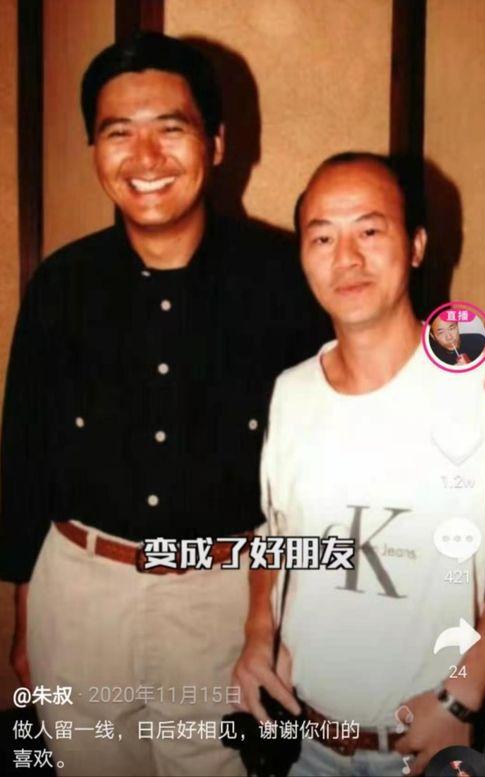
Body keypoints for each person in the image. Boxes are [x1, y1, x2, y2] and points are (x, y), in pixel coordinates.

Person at [0, 32, 329, 777]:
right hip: (76, 593)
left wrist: (472, 358)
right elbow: (25, 454)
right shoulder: (61, 283)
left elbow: (378, 356)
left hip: (226, 600)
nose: (145, 157)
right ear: (95, 148)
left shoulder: (284, 279)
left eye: (170, 129)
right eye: (119, 132)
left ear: (216, 143)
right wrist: (24, 622)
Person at [234, 153, 485, 777]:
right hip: (310, 746)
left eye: (370, 230)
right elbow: (274, 534)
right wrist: (256, 637)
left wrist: (460, 697)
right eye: (322, 237)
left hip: (432, 746)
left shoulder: (482, 387)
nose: (346, 258)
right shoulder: (291, 392)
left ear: (416, 245)